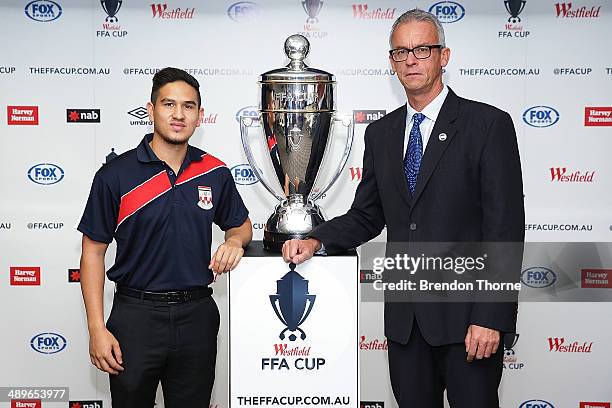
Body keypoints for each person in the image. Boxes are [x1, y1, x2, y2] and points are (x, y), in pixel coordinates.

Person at [282, 9, 524, 408]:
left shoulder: (487, 125)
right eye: (400, 52)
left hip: (470, 323)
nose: (411, 59)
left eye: (422, 49)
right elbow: (367, 214)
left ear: (443, 56)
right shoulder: (382, 133)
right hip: (406, 326)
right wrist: (317, 239)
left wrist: (491, 317)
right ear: (392, 62)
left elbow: (505, 229)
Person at [78, 67, 252, 408]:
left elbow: (241, 226)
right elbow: (92, 253)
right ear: (150, 109)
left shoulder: (214, 171)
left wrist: (234, 242)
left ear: (200, 116)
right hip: (135, 317)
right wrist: (97, 328)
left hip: (197, 315)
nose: (178, 114)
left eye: (188, 106)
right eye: (168, 104)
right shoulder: (116, 174)